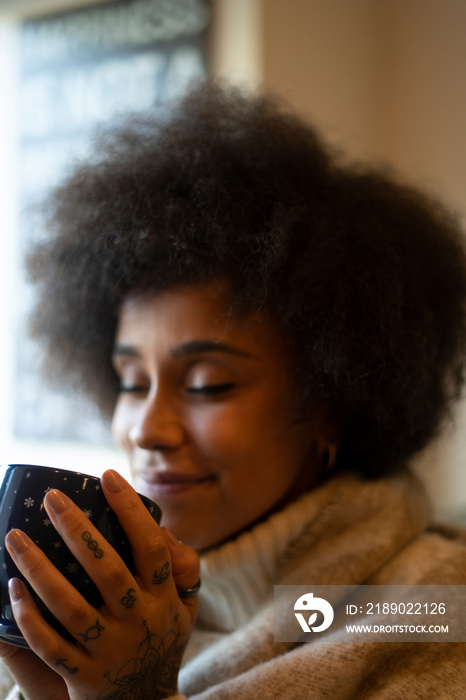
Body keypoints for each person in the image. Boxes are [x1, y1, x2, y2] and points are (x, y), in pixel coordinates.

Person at [0, 81, 466, 699]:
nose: (145, 430)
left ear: (331, 400)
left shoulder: (432, 608)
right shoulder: (92, 617)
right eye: (132, 381)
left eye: (208, 384)